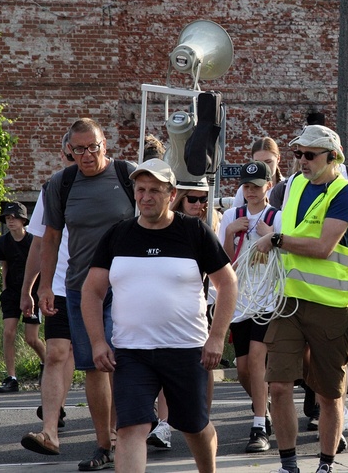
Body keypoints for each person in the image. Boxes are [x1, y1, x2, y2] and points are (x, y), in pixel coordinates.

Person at [82, 159, 237, 473]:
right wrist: (98, 342)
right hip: (131, 353)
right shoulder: (118, 235)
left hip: (185, 350)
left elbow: (227, 283)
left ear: (172, 194)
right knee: (130, 429)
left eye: (155, 190)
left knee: (194, 426)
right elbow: (91, 291)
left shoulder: (193, 231)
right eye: (140, 190)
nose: (146, 196)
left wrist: (216, 337)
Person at [255, 124, 348, 473]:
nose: (301, 161)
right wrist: (272, 235)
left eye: (309, 154)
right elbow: (289, 231)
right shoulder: (293, 186)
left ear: (332, 157)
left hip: (331, 306)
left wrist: (275, 241)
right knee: (277, 385)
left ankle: (326, 463)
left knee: (329, 394)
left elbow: (322, 247)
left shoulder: (345, 192)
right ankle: (288, 464)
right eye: (297, 154)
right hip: (289, 301)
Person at [38, 118, 137, 470]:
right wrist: (46, 285)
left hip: (128, 287)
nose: (87, 155)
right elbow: (50, 239)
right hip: (82, 290)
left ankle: (124, 434)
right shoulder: (60, 184)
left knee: (126, 364)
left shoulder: (129, 176)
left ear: (104, 144)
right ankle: (103, 445)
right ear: (70, 151)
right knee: (96, 366)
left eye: (93, 147)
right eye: (79, 149)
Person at [145, 176, 219, 450]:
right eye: (193, 198)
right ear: (179, 197)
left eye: (204, 199)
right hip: (168, 314)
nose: (199, 204)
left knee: (206, 364)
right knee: (164, 366)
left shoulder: (211, 224)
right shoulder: (167, 225)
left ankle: (201, 417)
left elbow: (226, 275)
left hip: (202, 305)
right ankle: (164, 424)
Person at [220, 160, 282, 453]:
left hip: (267, 298)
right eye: (247, 186)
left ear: (268, 186)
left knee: (256, 359)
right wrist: (231, 231)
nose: (251, 192)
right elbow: (224, 262)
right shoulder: (233, 215)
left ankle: (258, 425)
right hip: (240, 299)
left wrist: (273, 236)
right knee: (243, 368)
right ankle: (263, 405)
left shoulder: (277, 217)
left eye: (257, 187)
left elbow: (285, 258)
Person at [20, 133, 76, 455]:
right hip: (60, 286)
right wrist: (29, 288)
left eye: (82, 153)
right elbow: (39, 242)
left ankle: (113, 432)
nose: (75, 161)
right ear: (63, 153)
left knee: (106, 362)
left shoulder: (111, 183)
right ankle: (49, 431)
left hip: (100, 286)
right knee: (56, 353)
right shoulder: (53, 188)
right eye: (70, 155)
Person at [0, 201, 46, 393]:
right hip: (12, 293)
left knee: (31, 339)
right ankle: (11, 377)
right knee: (8, 332)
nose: (11, 222)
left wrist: (40, 291)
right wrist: (5, 288)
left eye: (14, 218)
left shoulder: (33, 241)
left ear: (23, 220)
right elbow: (5, 265)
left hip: (32, 293)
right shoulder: (2, 242)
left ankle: (46, 362)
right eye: (7, 218)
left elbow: (41, 266)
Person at [233, 137, 286, 208]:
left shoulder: (286, 187)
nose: (264, 167)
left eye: (268, 162)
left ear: (278, 159)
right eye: (258, 162)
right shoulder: (244, 190)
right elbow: (234, 214)